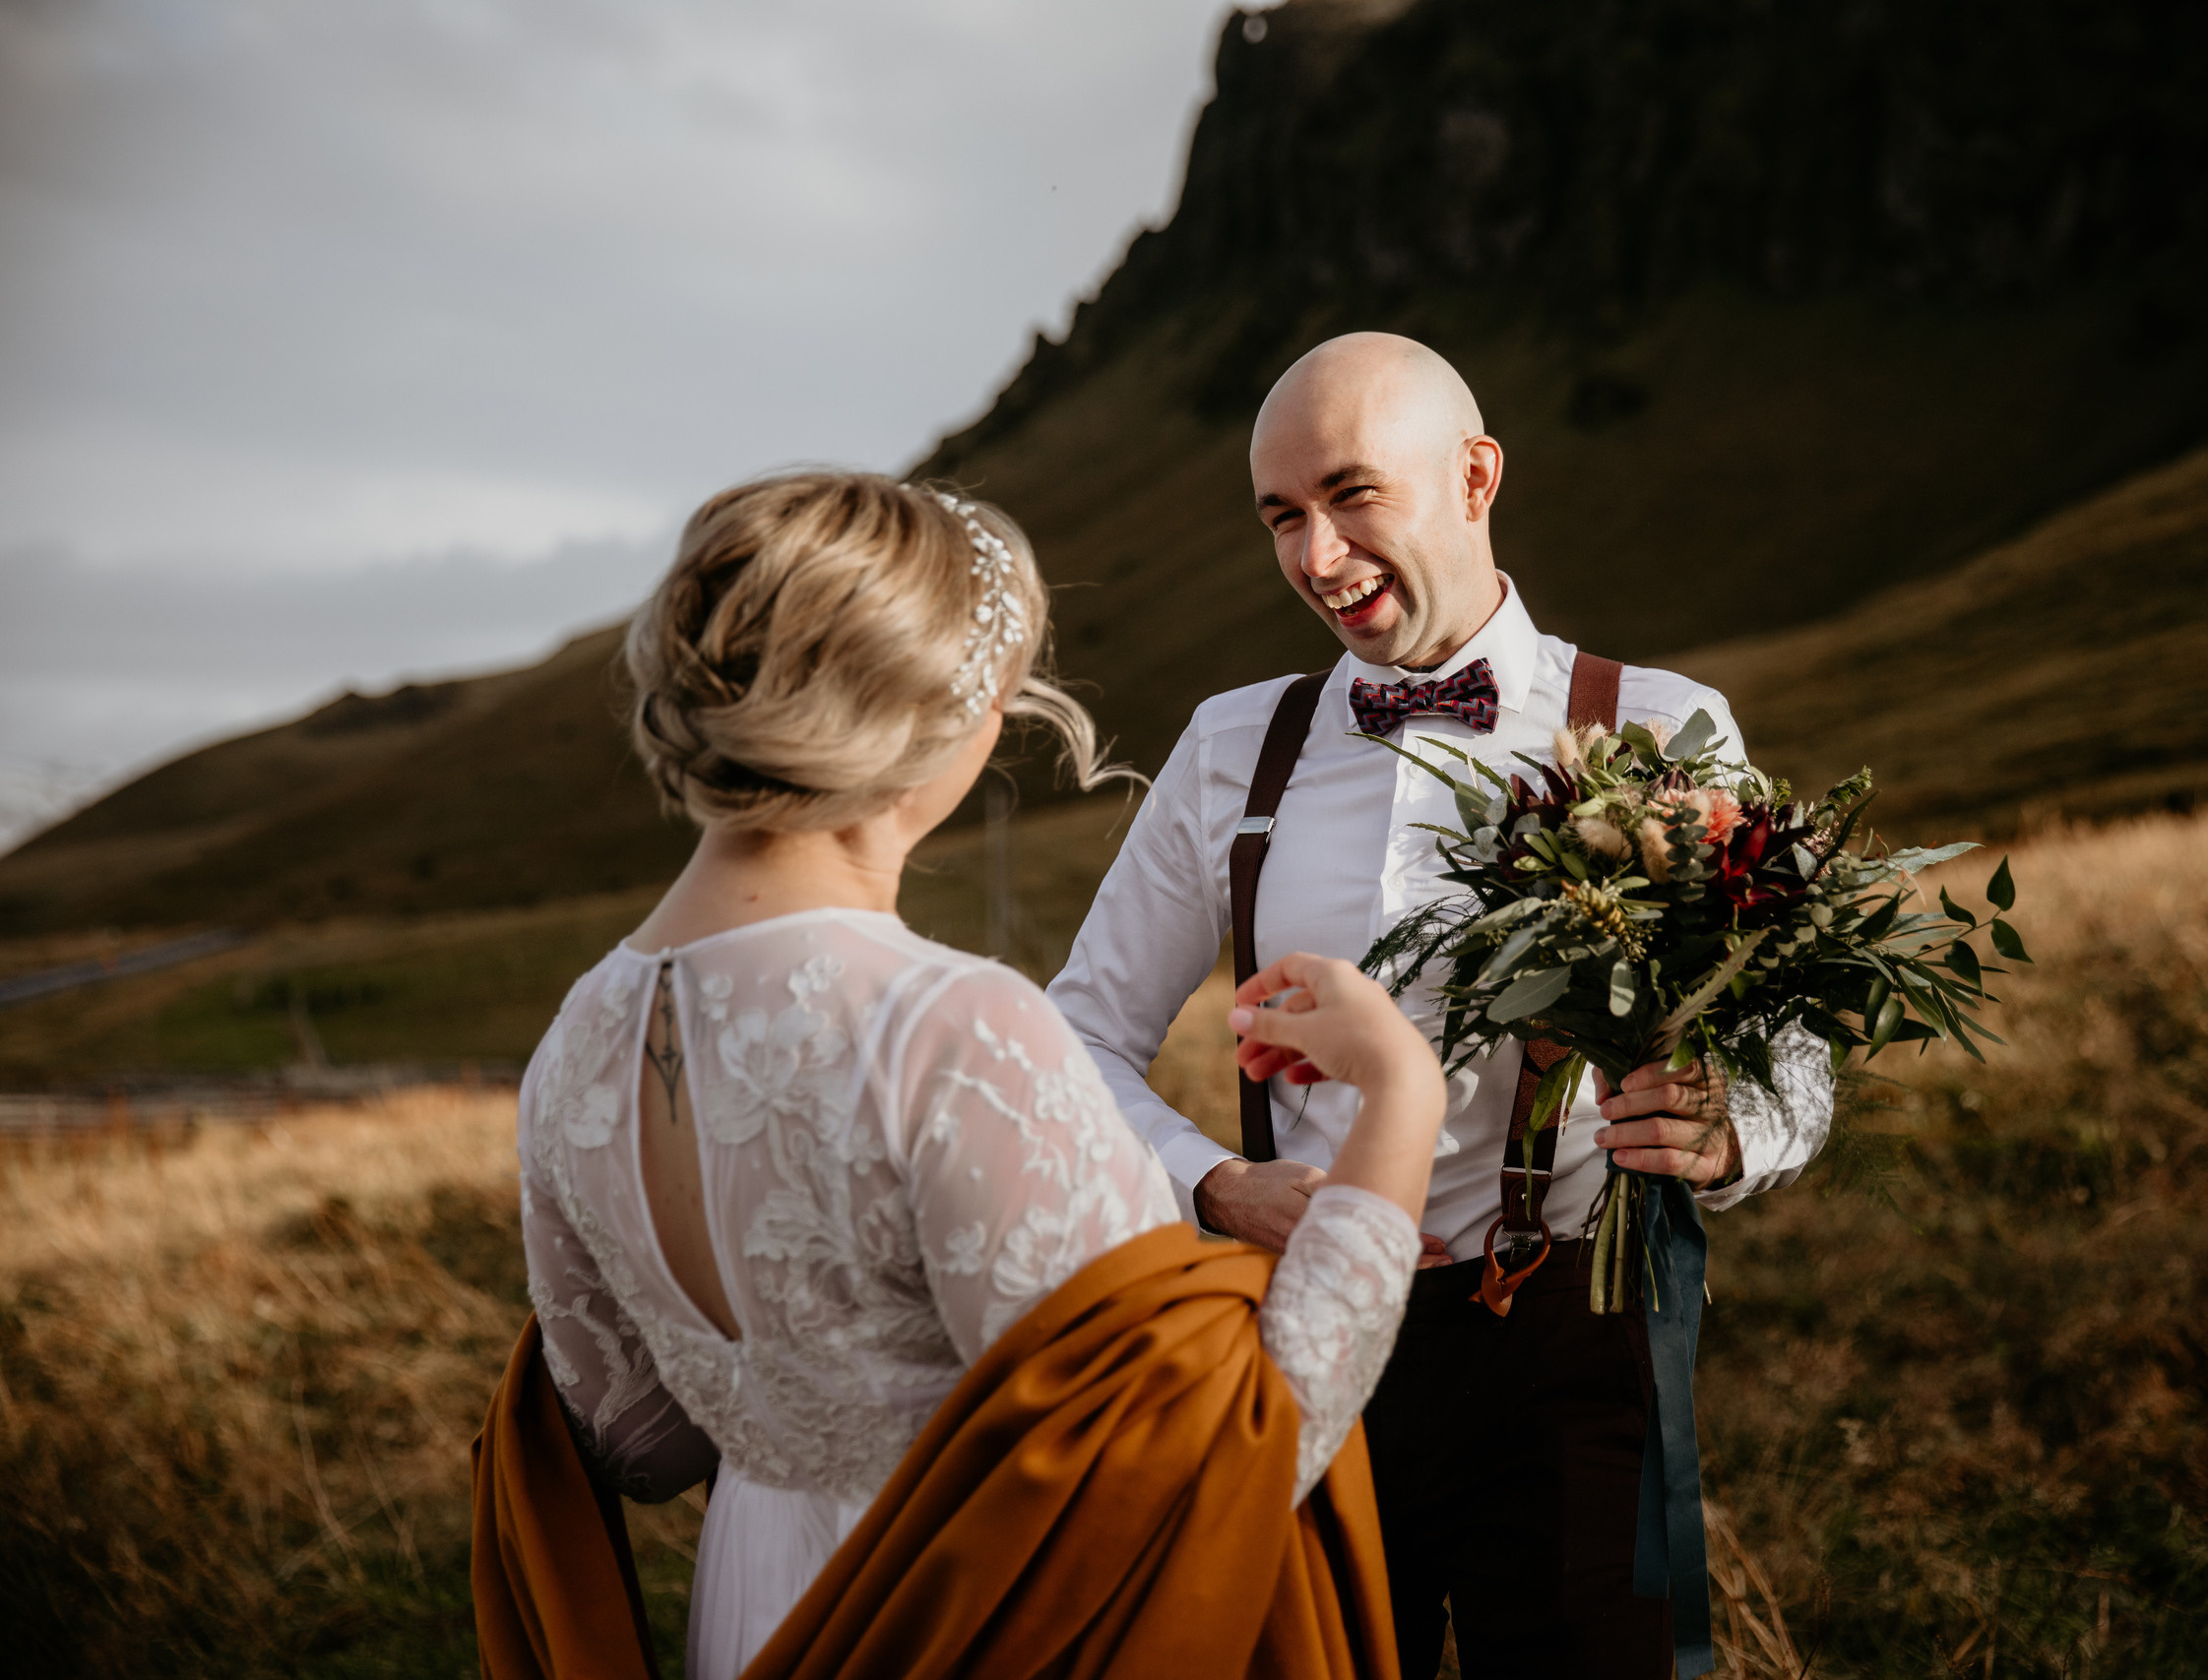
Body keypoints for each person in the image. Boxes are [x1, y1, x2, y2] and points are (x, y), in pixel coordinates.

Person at [487, 470, 1448, 1679]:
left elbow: (634, 1441)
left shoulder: (580, 1036)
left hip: (754, 1611)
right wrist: (1401, 1096)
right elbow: (1210, 1466)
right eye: (997, 694)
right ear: (933, 712)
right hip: (970, 1622)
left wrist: (793, 1388)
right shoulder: (949, 1028)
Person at [1048, 334, 1837, 1679]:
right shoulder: (1231, 746)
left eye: (1354, 495)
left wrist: (1732, 1122)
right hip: (1303, 1342)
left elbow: (1792, 1047)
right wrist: (1214, 1184)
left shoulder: (1663, 723)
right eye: (1282, 516)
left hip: (1571, 1342)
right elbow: (1073, 1040)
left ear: (1475, 476)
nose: (1316, 554)